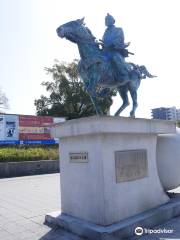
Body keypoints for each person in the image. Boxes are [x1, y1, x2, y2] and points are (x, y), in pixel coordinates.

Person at [101, 14, 131, 83]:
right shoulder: (106, 31)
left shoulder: (119, 29)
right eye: (106, 20)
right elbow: (104, 40)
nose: (107, 21)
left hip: (114, 50)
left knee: (115, 57)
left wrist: (112, 43)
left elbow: (120, 38)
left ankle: (124, 75)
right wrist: (102, 44)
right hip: (105, 51)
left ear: (113, 21)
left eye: (108, 20)